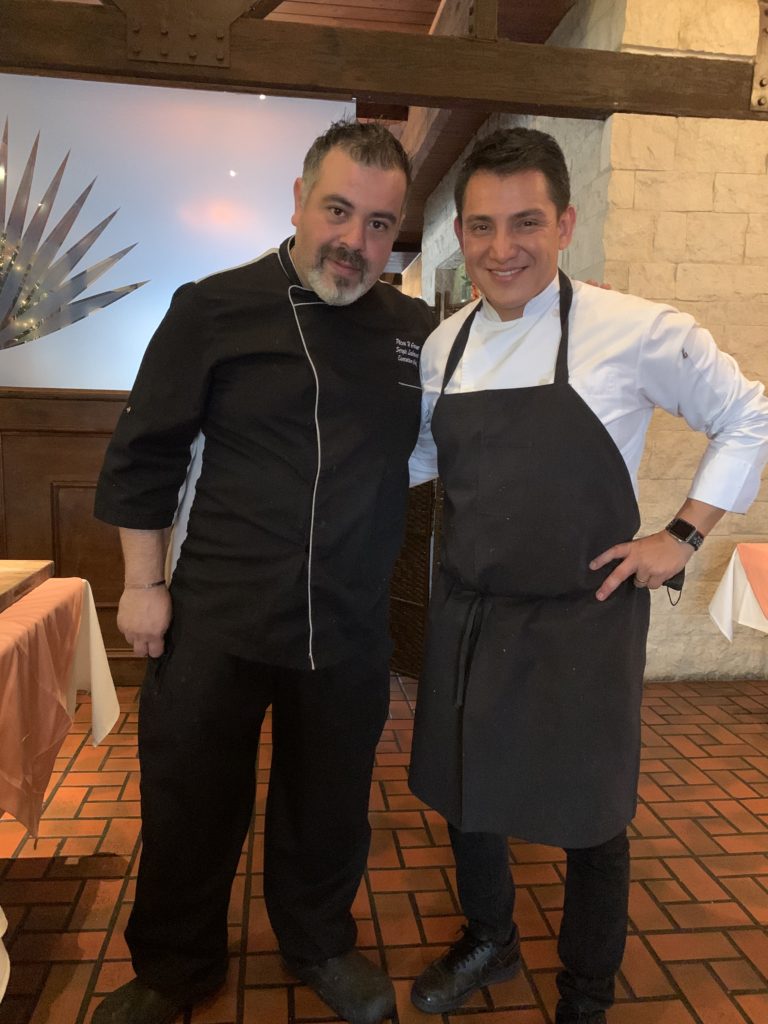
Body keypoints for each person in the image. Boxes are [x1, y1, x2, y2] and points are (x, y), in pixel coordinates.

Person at [407, 127, 768, 1024]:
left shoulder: (634, 330)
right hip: (471, 611)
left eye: (525, 223)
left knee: (593, 816)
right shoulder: (443, 345)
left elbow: (750, 417)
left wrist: (681, 536)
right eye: (481, 227)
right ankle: (490, 939)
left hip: (585, 614)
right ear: (461, 231)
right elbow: (422, 460)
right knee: (465, 790)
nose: (501, 250)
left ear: (565, 223)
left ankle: (587, 993)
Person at [92, 119, 434, 1024]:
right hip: (218, 611)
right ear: (297, 199)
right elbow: (146, 454)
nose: (354, 241)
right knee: (190, 801)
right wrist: (142, 584)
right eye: (338, 210)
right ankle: (175, 965)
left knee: (329, 807)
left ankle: (319, 942)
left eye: (377, 224)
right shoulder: (213, 305)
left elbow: (446, 446)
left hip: (348, 620)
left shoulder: (416, 330)